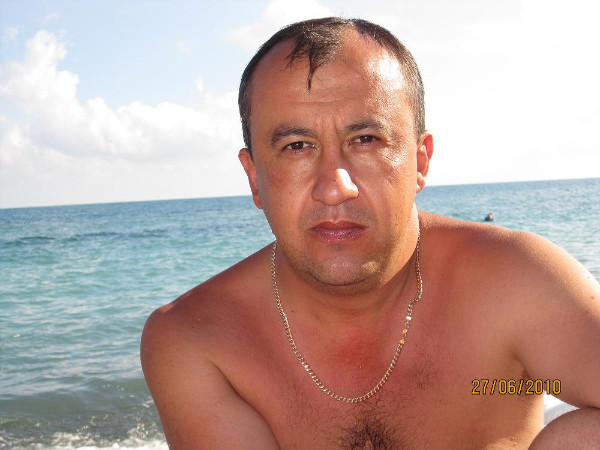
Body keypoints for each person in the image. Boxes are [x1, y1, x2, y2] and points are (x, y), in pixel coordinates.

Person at [141, 17, 600, 450]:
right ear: (254, 178)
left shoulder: (516, 284)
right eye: (297, 146)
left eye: (365, 140)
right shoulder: (200, 340)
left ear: (419, 161)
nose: (334, 187)